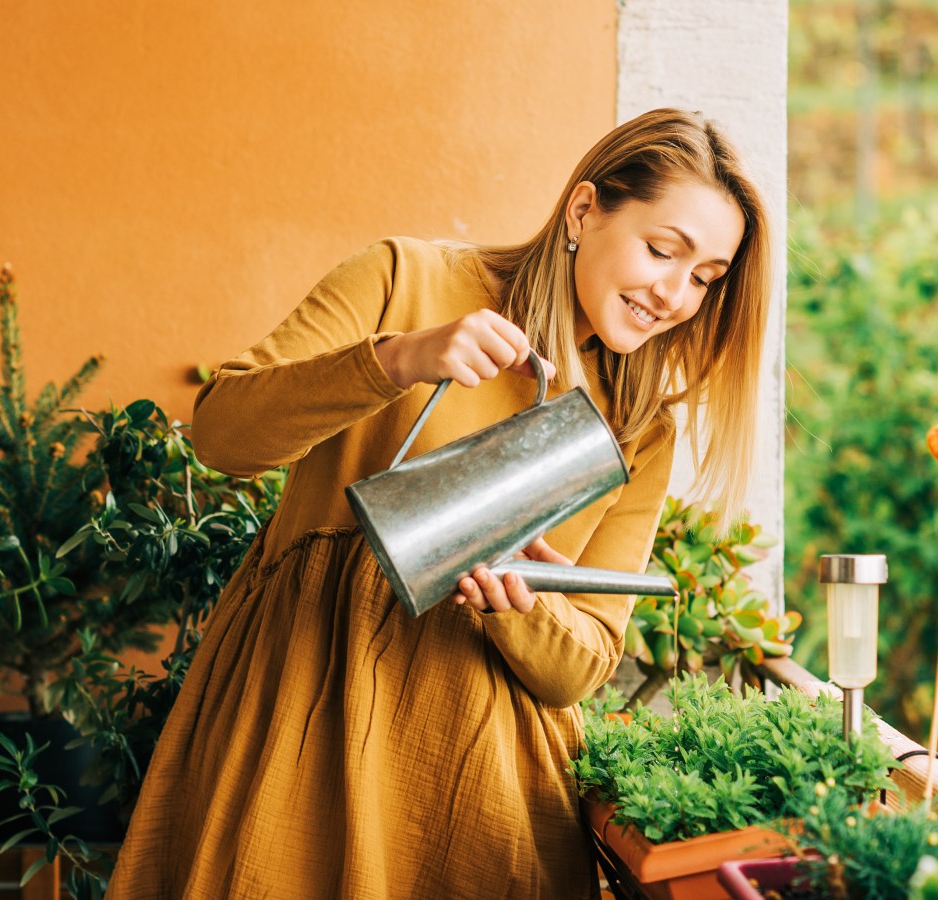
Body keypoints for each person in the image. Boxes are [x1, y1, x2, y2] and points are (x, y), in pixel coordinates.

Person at [107, 107, 773, 899]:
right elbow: (222, 435)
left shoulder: (637, 426)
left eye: (704, 278)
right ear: (584, 210)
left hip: (477, 782)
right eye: (663, 251)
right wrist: (396, 360)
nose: (674, 294)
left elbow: (583, 664)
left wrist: (521, 607)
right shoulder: (405, 280)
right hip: (302, 715)